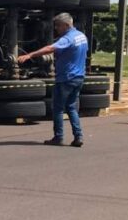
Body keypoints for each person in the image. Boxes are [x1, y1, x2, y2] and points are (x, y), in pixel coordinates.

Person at [17, 12, 88, 147]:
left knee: (58, 109)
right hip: (79, 77)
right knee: (72, 107)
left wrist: (29, 55)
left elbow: (50, 48)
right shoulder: (81, 36)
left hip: (66, 78)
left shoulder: (68, 38)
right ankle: (78, 136)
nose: (56, 29)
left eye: (58, 26)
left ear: (66, 25)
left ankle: (58, 137)